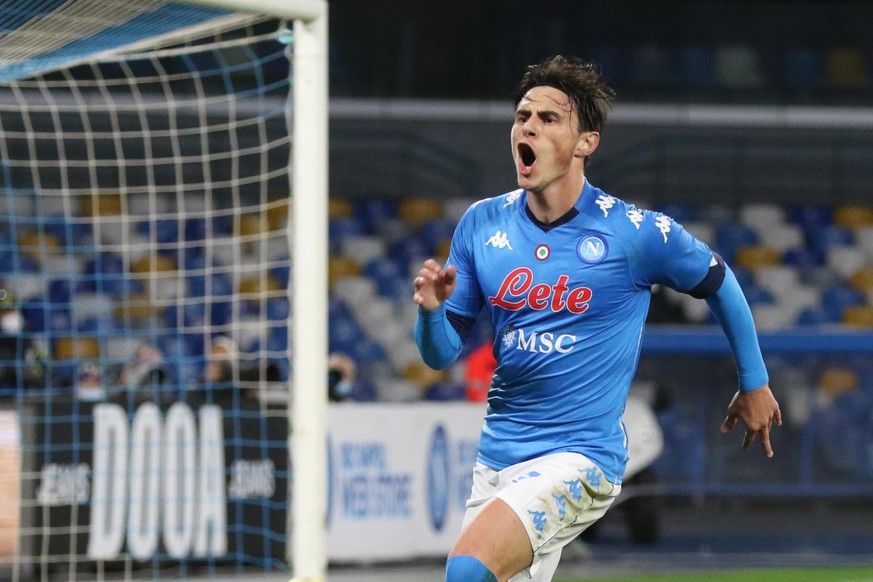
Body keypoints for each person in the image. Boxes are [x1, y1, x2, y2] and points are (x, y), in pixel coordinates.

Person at [412, 55, 781, 582]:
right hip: (497, 459)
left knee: (468, 569)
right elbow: (440, 353)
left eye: (548, 119)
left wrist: (755, 381)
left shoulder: (634, 232)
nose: (529, 127)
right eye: (522, 116)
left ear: (587, 141)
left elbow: (720, 281)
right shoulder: (481, 222)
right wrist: (430, 314)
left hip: (579, 459)